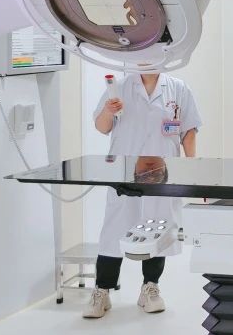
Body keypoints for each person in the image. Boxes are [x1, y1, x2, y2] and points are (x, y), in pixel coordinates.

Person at [84, 70, 201, 320]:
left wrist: (193, 169)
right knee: (114, 232)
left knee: (158, 229)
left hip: (162, 173)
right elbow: (101, 127)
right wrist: (108, 111)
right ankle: (102, 290)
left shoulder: (178, 88)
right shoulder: (120, 87)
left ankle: (150, 288)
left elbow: (189, 131)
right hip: (124, 172)